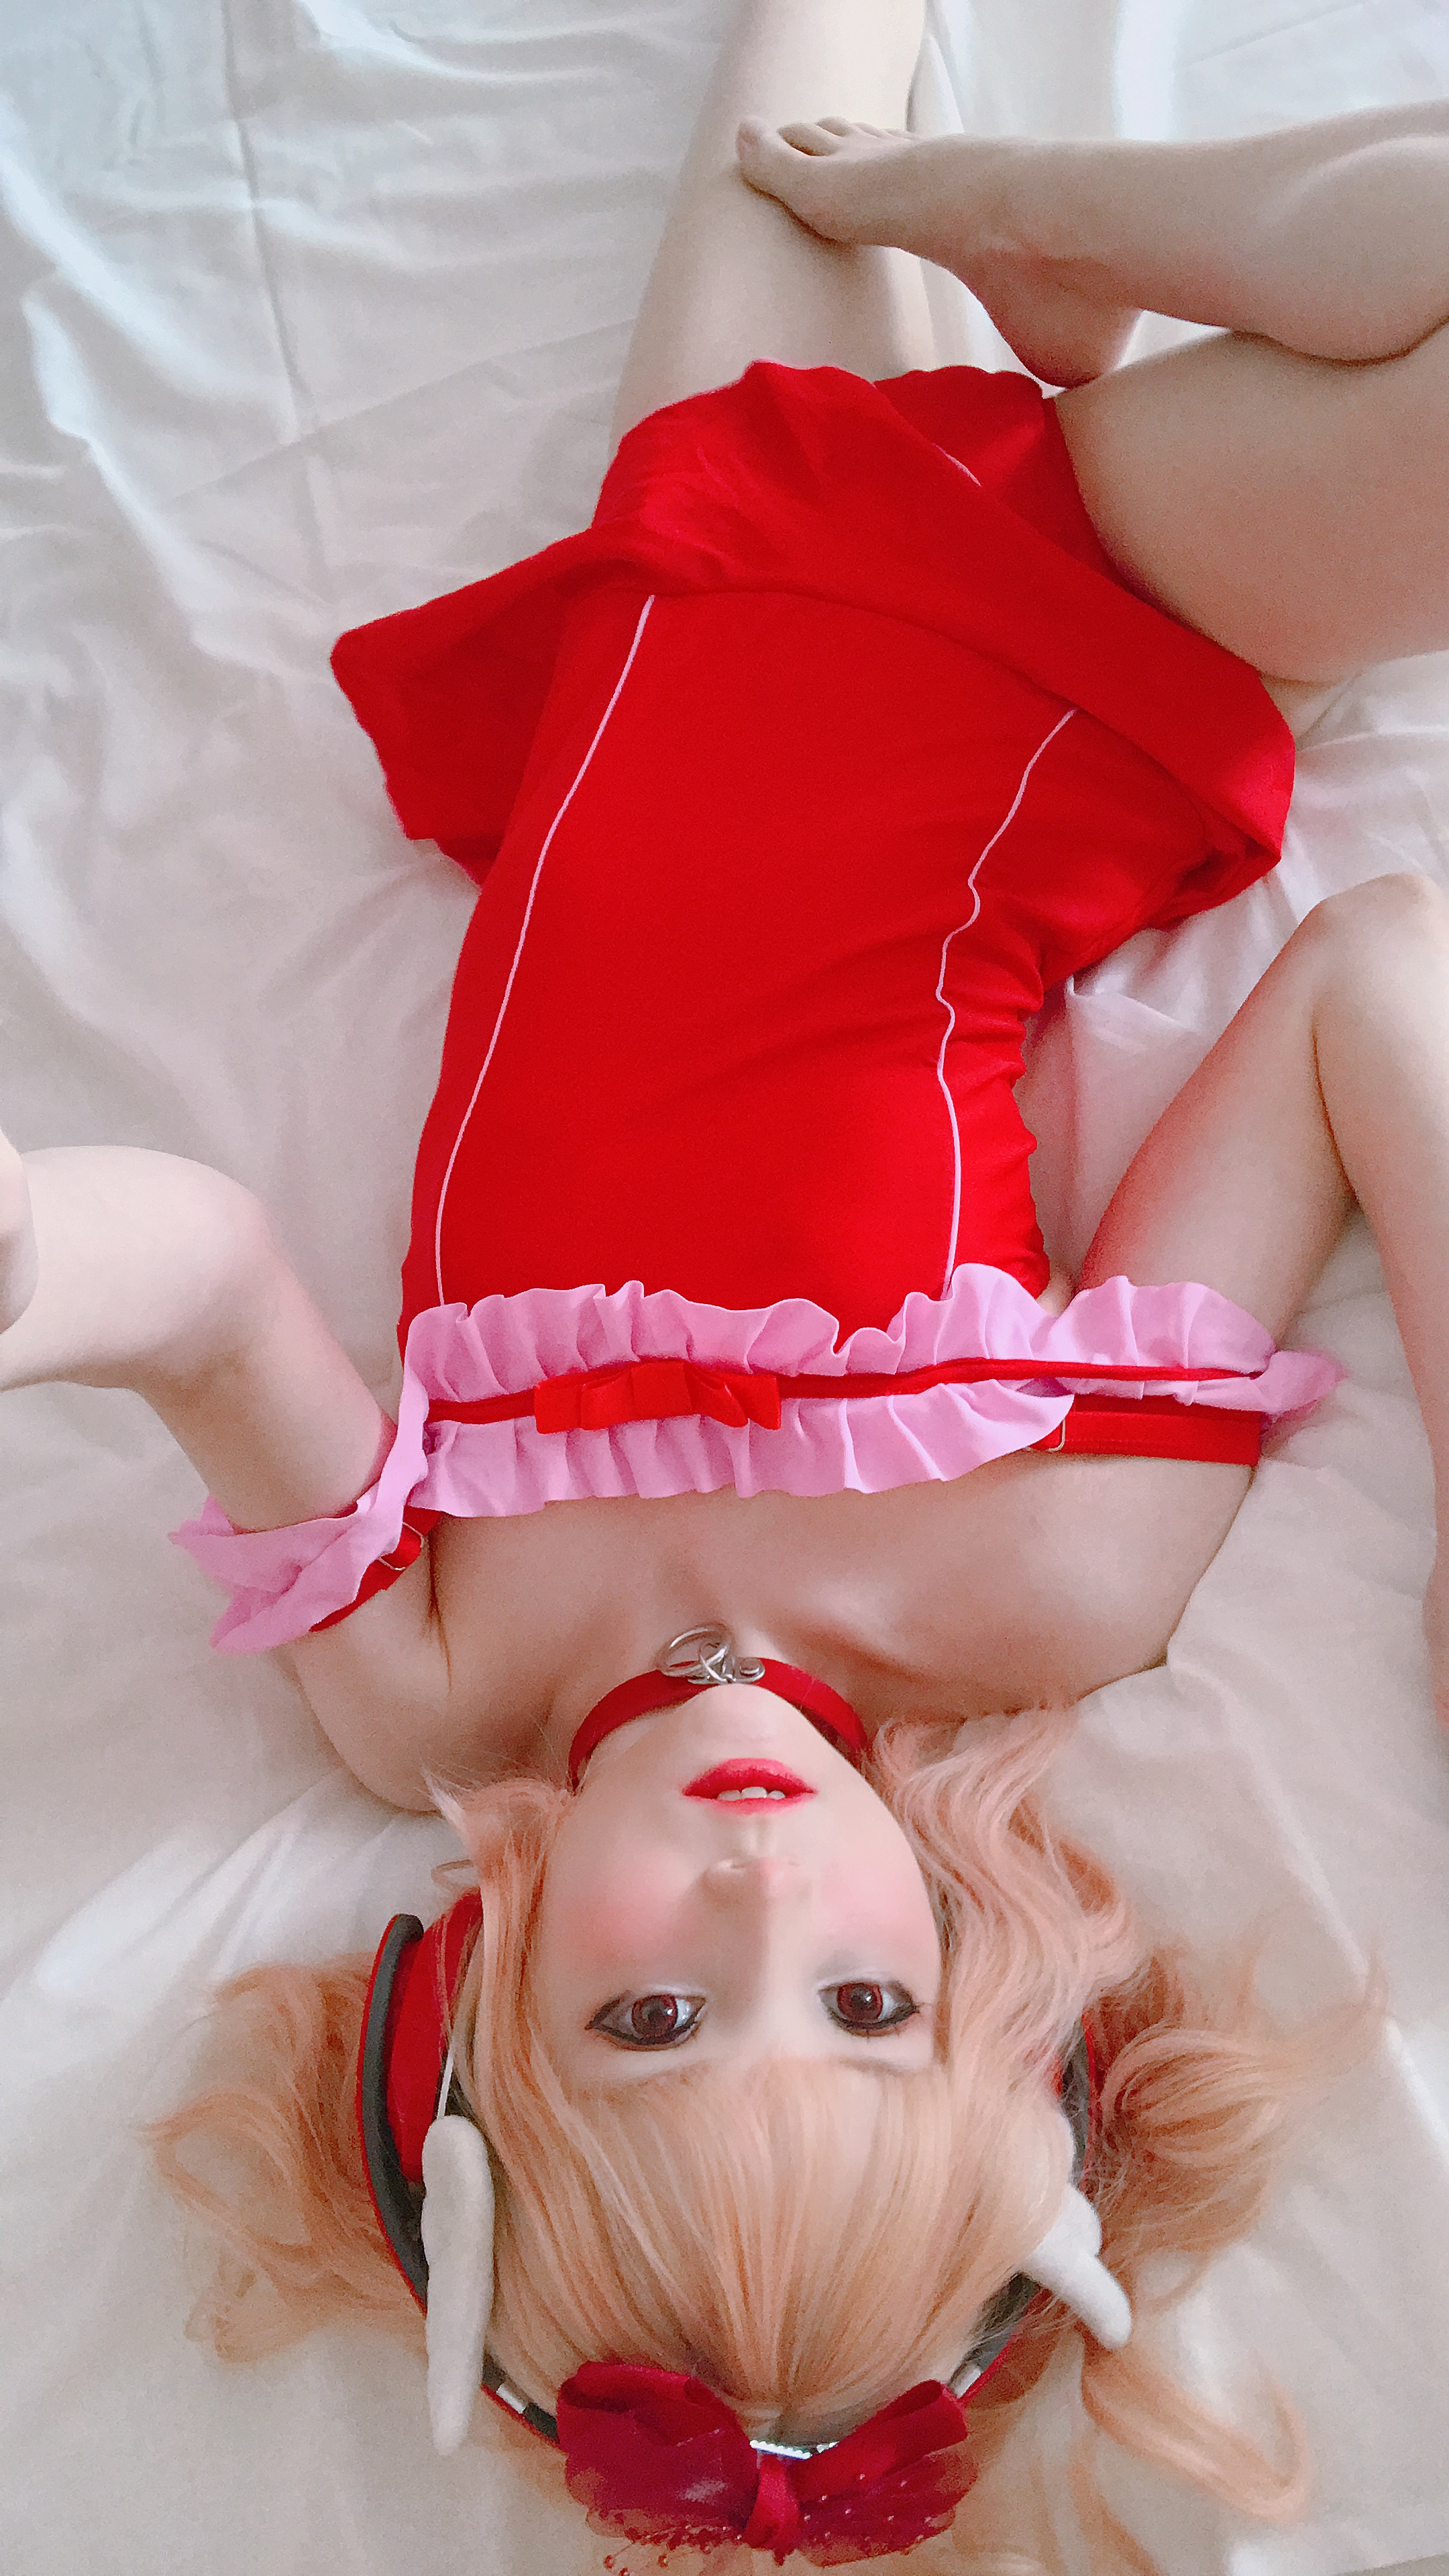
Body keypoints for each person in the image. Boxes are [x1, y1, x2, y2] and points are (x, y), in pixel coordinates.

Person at [5, 0, 1447, 2558]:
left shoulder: (431, 1694)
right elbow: (1375, 984)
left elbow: (209, 1288)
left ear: (479, 2018)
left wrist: (34, 1262)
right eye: (868, 2006)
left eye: (655, 2012)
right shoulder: (1045, 1587)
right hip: (1075, 622)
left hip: (683, 595)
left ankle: (1008, 234)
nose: (767, 1889)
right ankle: (1049, 231)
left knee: (815, 41)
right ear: (996, 1994)